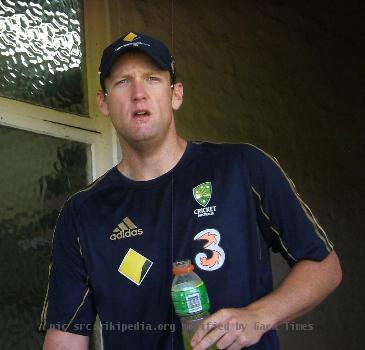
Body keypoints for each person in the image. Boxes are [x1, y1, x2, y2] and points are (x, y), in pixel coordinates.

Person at [40, 31, 342, 350]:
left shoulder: (242, 167)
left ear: (176, 95)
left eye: (152, 78)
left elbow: (324, 265)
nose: (138, 94)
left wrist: (259, 315)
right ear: (103, 102)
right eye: (122, 82)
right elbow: (66, 335)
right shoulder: (83, 213)